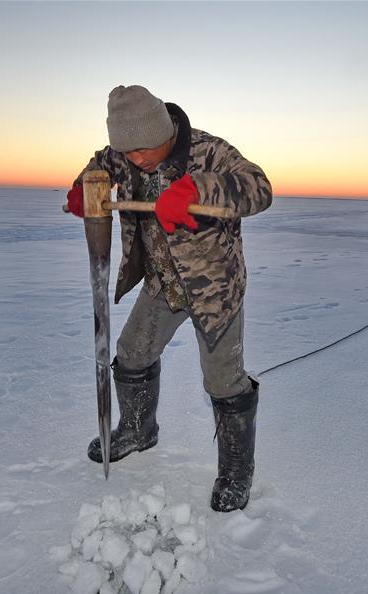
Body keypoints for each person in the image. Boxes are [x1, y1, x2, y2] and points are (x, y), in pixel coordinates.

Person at [65, 85, 272, 512]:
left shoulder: (209, 152)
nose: (136, 158)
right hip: (163, 283)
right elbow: (98, 165)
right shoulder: (123, 153)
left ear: (163, 130)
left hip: (214, 286)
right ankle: (138, 429)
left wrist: (200, 192)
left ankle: (236, 469)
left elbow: (259, 188)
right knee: (131, 353)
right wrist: (85, 188)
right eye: (128, 150)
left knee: (222, 379)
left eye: (144, 148)